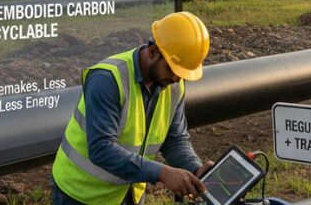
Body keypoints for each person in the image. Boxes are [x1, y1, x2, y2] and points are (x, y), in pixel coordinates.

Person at [51, 11, 214, 204]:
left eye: (182, 73)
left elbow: (175, 139)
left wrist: (194, 169)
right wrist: (162, 173)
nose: (177, 78)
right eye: (172, 69)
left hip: (127, 194)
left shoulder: (172, 85)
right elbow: (101, 148)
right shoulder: (107, 79)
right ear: (152, 52)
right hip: (81, 193)